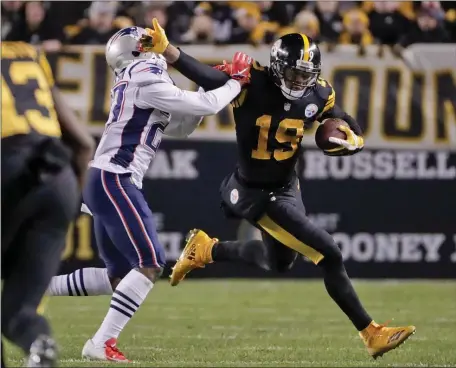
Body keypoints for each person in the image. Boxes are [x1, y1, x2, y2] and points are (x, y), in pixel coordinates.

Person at [146, 19, 416, 359]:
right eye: (294, 74)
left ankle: (207, 250)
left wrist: (353, 141)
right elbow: (207, 76)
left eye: (306, 75)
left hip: (287, 187)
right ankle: (371, 332)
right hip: (255, 194)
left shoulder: (319, 92)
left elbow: (347, 121)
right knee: (328, 253)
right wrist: (169, 51)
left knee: (280, 262)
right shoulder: (252, 81)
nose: (300, 81)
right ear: (276, 68)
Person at [46, 26, 252, 362]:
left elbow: (184, 126)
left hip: (107, 178)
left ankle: (35, 287)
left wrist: (205, 83)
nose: (158, 51)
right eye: (150, 46)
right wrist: (236, 82)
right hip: (116, 178)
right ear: (138, 52)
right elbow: (209, 105)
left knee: (117, 275)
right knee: (150, 264)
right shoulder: (145, 80)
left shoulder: (136, 82)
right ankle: (100, 343)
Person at [1, 41, 94, 367]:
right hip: (58, 175)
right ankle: (40, 346)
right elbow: (84, 144)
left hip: (6, 166)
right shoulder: (28, 52)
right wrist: (66, 207)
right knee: (18, 311)